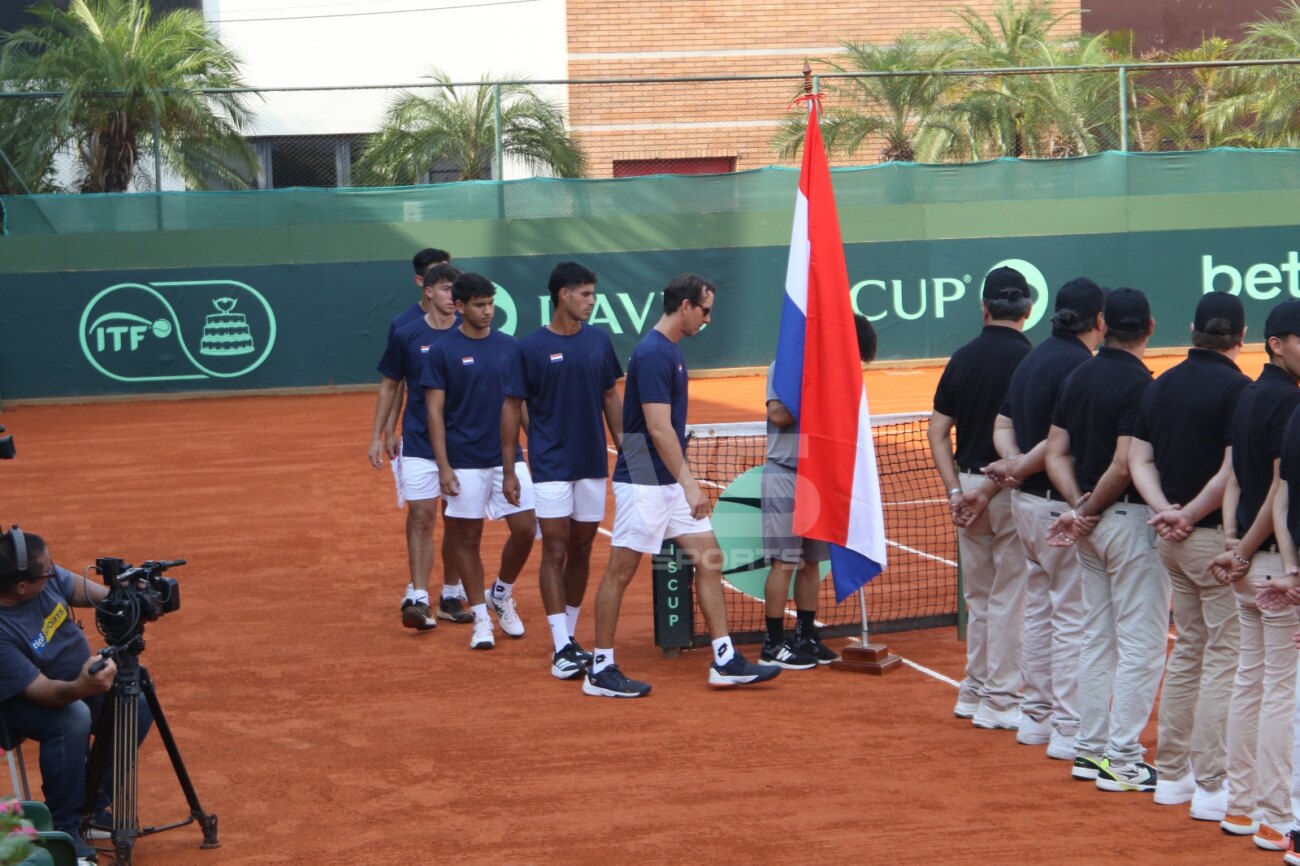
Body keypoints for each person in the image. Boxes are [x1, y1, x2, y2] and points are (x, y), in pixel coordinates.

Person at [583, 273, 779, 698]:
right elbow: (657, 427)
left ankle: (724, 660)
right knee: (621, 571)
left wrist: (680, 481)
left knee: (710, 558)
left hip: (665, 478)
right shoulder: (655, 353)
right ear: (685, 306)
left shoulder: (669, 351)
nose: (708, 319)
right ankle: (599, 668)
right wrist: (690, 485)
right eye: (705, 310)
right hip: (645, 478)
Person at [1128, 292, 1248, 820]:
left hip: (1173, 543)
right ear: (1241, 338)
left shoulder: (1160, 383)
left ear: (1193, 330)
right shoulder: (1240, 390)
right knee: (1224, 655)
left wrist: (1166, 512)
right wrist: (1190, 515)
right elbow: (1231, 471)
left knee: (1191, 649)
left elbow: (1139, 459)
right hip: (1210, 542)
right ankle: (1211, 783)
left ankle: (1173, 774)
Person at [977, 278, 1106, 761]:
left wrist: (1012, 465)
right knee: (1071, 617)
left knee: (1039, 609)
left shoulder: (1032, 358)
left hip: (1026, 506)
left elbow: (1003, 424)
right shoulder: (1079, 365)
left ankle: (1035, 717)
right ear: (1099, 320)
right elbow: (1055, 446)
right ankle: (1069, 727)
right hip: (1056, 507)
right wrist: (1018, 467)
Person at [1044, 287, 1167, 793]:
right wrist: (1088, 509)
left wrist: (1079, 508)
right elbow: (1123, 464)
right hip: (1126, 524)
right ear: (1150, 327)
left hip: (1091, 528)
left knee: (1098, 637)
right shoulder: (1141, 384)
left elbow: (1055, 453)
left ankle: (1090, 749)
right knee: (1142, 644)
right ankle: (1121, 758)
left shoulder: (1078, 375)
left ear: (1103, 323)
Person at [1207, 299, 1300, 850]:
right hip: (1272, 566)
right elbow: (1276, 495)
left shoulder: (1248, 394)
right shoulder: (1289, 402)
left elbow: (1236, 478)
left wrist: (1230, 540)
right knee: (1282, 692)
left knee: (1251, 682)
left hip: (1249, 563)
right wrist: (1243, 552)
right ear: (1277, 344)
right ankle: (1275, 815)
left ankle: (1241, 807)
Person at [502, 262, 623, 679]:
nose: (592, 301)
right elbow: (512, 407)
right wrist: (510, 468)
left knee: (582, 547)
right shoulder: (530, 348)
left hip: (592, 462)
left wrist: (631, 453)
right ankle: (559, 647)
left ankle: (570, 637)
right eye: (585, 294)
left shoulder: (599, 341)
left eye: (593, 293)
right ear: (563, 295)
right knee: (555, 547)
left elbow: (611, 398)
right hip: (551, 464)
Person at [926, 266, 1033, 730]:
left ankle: (974, 690)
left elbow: (936, 432)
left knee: (981, 596)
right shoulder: (1032, 361)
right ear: (1027, 310)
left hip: (969, 490)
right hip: (1010, 490)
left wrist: (957, 490)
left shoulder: (962, 357)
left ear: (984, 307)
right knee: (1009, 597)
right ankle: (1001, 699)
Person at [0, 527, 147, 862]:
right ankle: (64, 828)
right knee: (73, 718)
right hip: (22, 702)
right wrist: (83, 687)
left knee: (135, 702)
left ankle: (89, 808)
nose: (54, 571)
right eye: (47, 570)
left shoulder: (42, 577)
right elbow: (41, 692)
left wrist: (124, 596)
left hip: (77, 683)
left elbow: (86, 591)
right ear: (22, 587)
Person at [425, 272, 537, 651]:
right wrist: (443, 466)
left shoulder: (510, 347)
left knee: (526, 528)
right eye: (479, 305)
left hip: (508, 458)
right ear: (460, 307)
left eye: (490, 304)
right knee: (467, 539)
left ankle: (501, 593)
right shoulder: (442, 350)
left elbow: (519, 404)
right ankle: (481, 618)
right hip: (463, 462)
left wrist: (538, 448)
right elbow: (434, 412)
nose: (488, 311)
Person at [759, 314, 877, 669]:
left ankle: (806, 635)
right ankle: (773, 643)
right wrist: (819, 388)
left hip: (819, 478)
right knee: (784, 562)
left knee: (812, 563)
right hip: (786, 474)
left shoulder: (842, 377)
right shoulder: (785, 366)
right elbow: (778, 414)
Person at [369, 262, 471, 630]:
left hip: (464, 445)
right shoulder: (407, 334)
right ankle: (420, 597)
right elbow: (391, 385)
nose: (452, 296)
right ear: (428, 291)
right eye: (445, 288)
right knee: (422, 516)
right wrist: (379, 434)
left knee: (457, 521)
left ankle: (451, 594)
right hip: (419, 441)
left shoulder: (470, 331)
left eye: (456, 289)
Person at [378, 248, 453, 456]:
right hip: (420, 432)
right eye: (436, 273)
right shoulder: (402, 325)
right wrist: (389, 430)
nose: (445, 277)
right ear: (421, 282)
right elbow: (395, 382)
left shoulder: (465, 320)